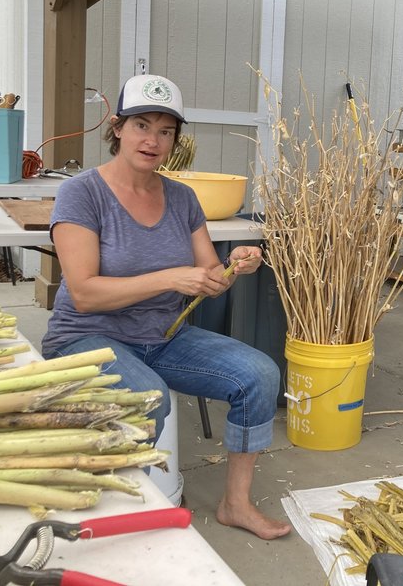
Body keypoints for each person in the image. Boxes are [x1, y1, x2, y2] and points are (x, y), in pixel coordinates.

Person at [42, 74, 291, 540]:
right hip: (86, 338)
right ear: (117, 128)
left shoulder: (181, 197)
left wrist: (235, 266)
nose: (152, 140)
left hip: (162, 336)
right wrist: (171, 278)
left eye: (165, 131)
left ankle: (236, 504)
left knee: (259, 374)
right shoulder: (82, 193)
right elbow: (85, 293)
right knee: (147, 396)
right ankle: (110, 515)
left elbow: (208, 277)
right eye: (141, 125)